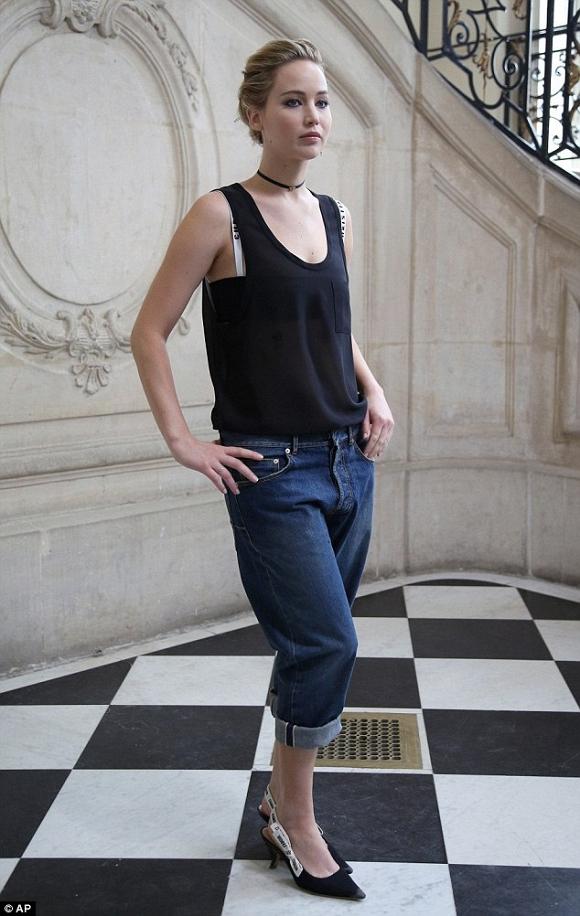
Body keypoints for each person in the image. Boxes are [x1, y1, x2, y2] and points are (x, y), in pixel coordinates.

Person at [130, 38, 394, 901]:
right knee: (328, 642)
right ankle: (301, 824)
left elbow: (334, 327)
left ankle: (281, 805)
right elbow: (148, 330)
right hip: (272, 473)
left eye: (321, 101)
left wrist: (373, 389)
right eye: (292, 101)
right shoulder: (221, 215)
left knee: (307, 646)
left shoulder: (334, 215)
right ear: (255, 114)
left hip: (350, 460)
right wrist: (183, 440)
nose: (312, 116)